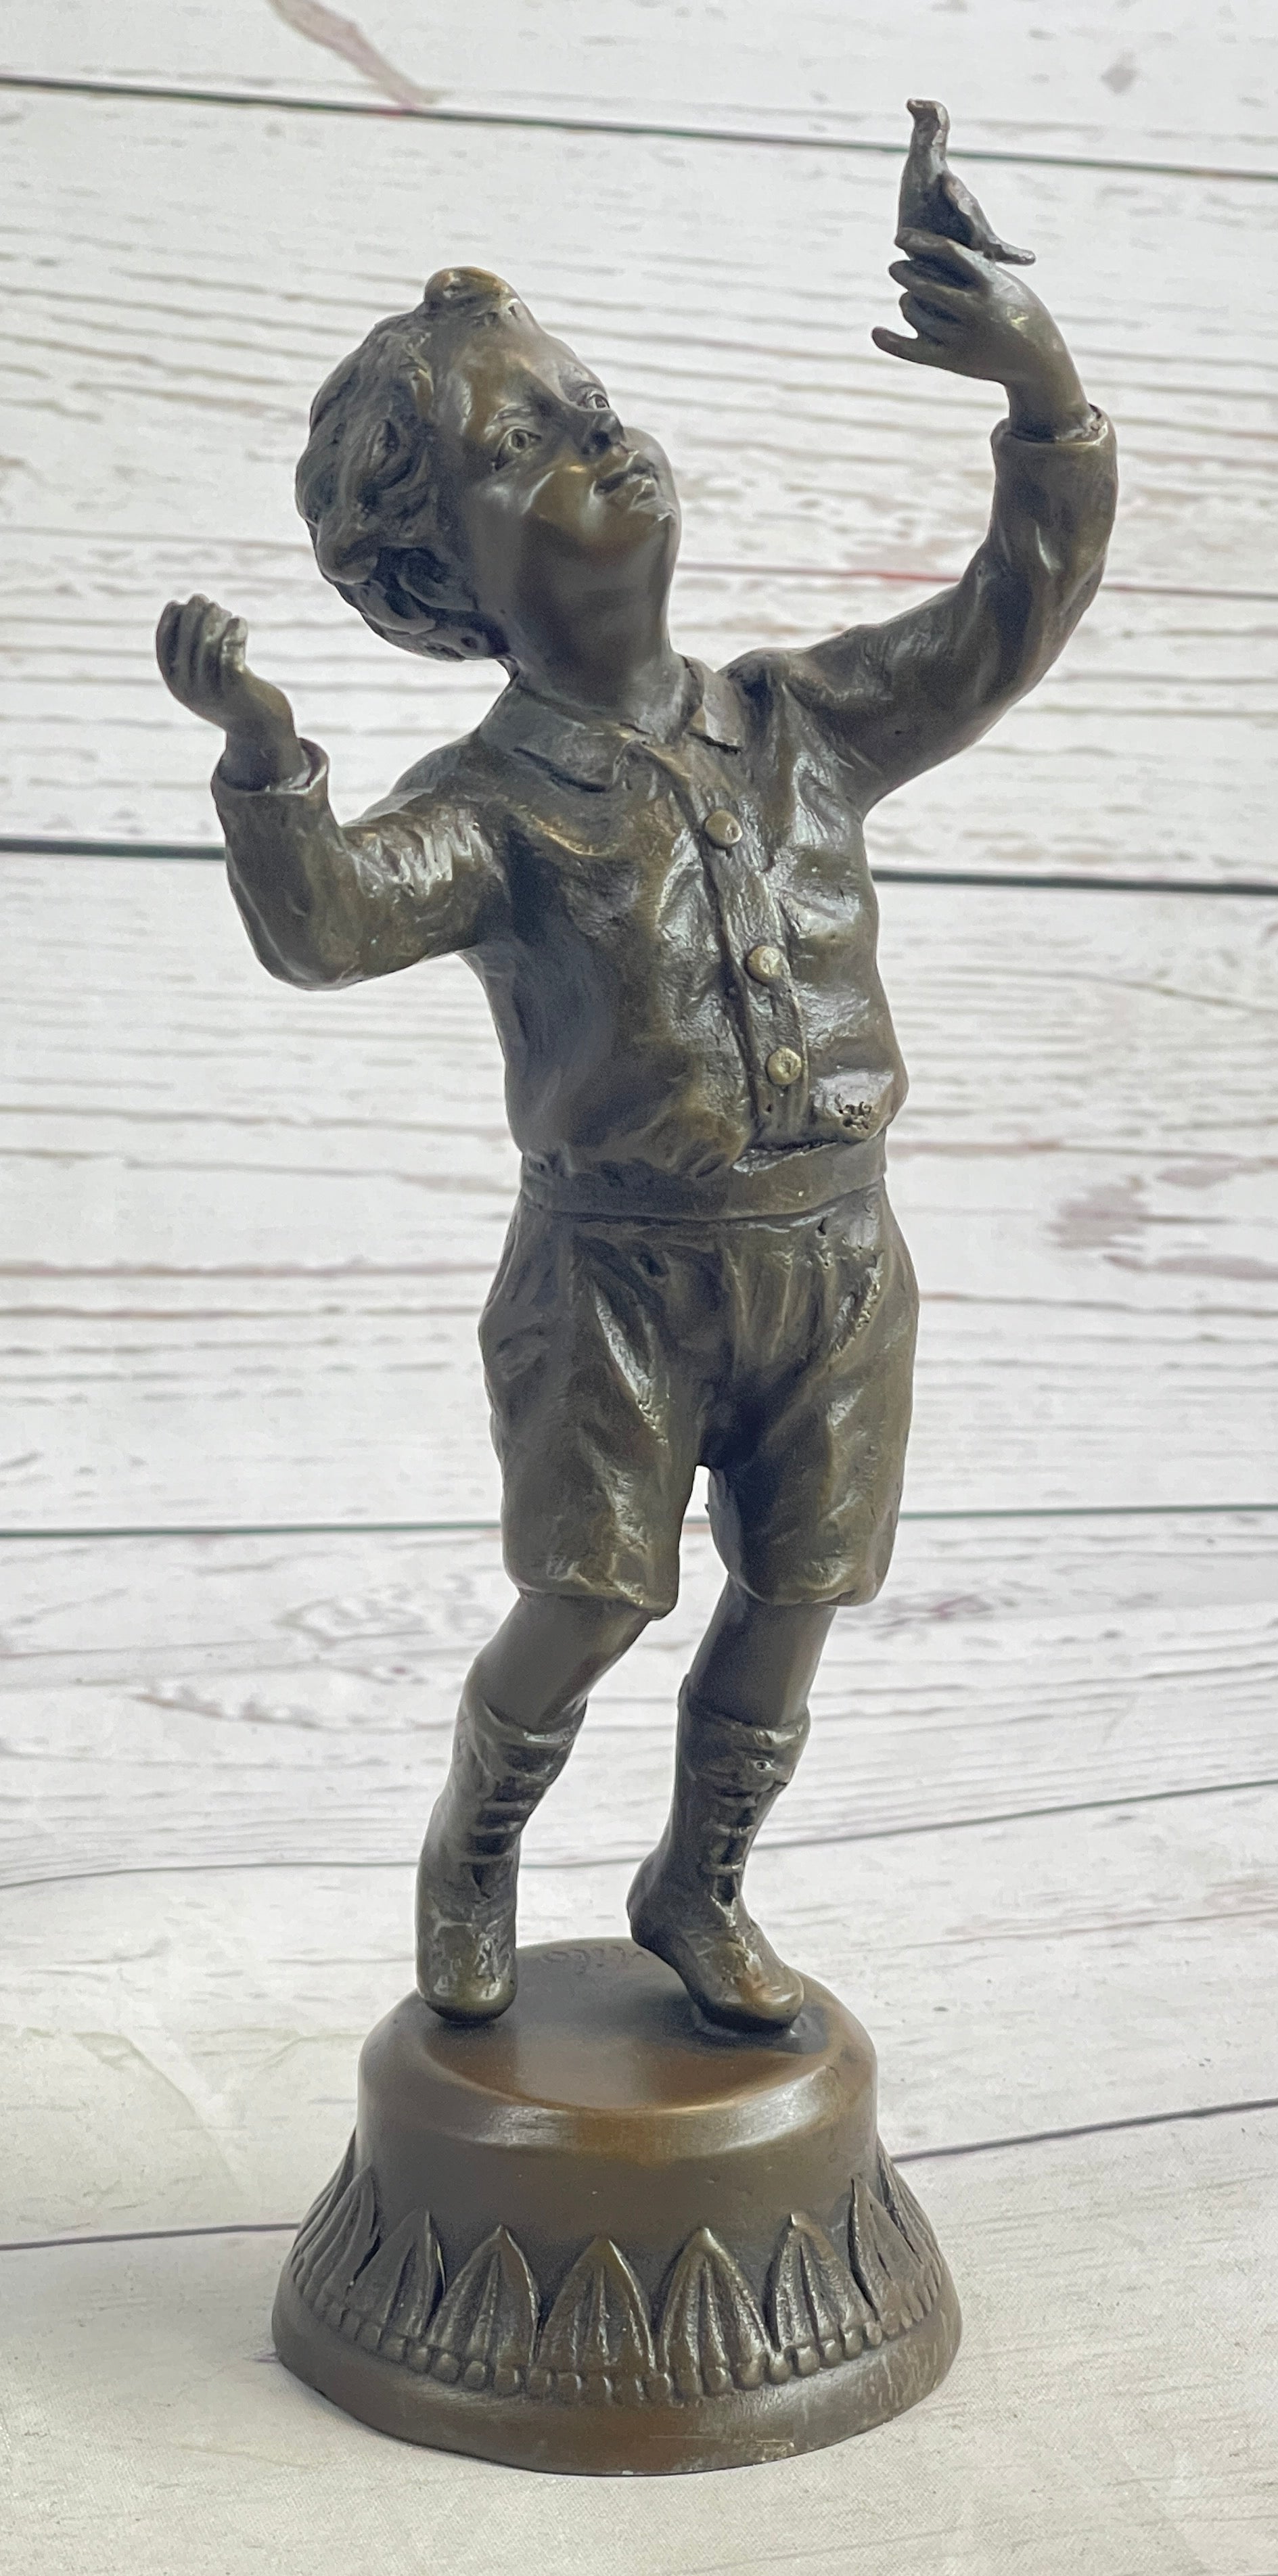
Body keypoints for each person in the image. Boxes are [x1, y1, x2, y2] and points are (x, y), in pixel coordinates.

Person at [156, 225, 1116, 2033]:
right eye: (524, 443)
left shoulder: (804, 721)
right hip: (612, 1282)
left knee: (799, 1590)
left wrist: (1042, 396)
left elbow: (1010, 616)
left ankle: (702, 1878)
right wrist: (268, 761)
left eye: (590, 401)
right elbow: (331, 926)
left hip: (838, 1259)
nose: (598, 438)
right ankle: (473, 1851)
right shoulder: (492, 802)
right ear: (439, 574)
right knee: (591, 1598)